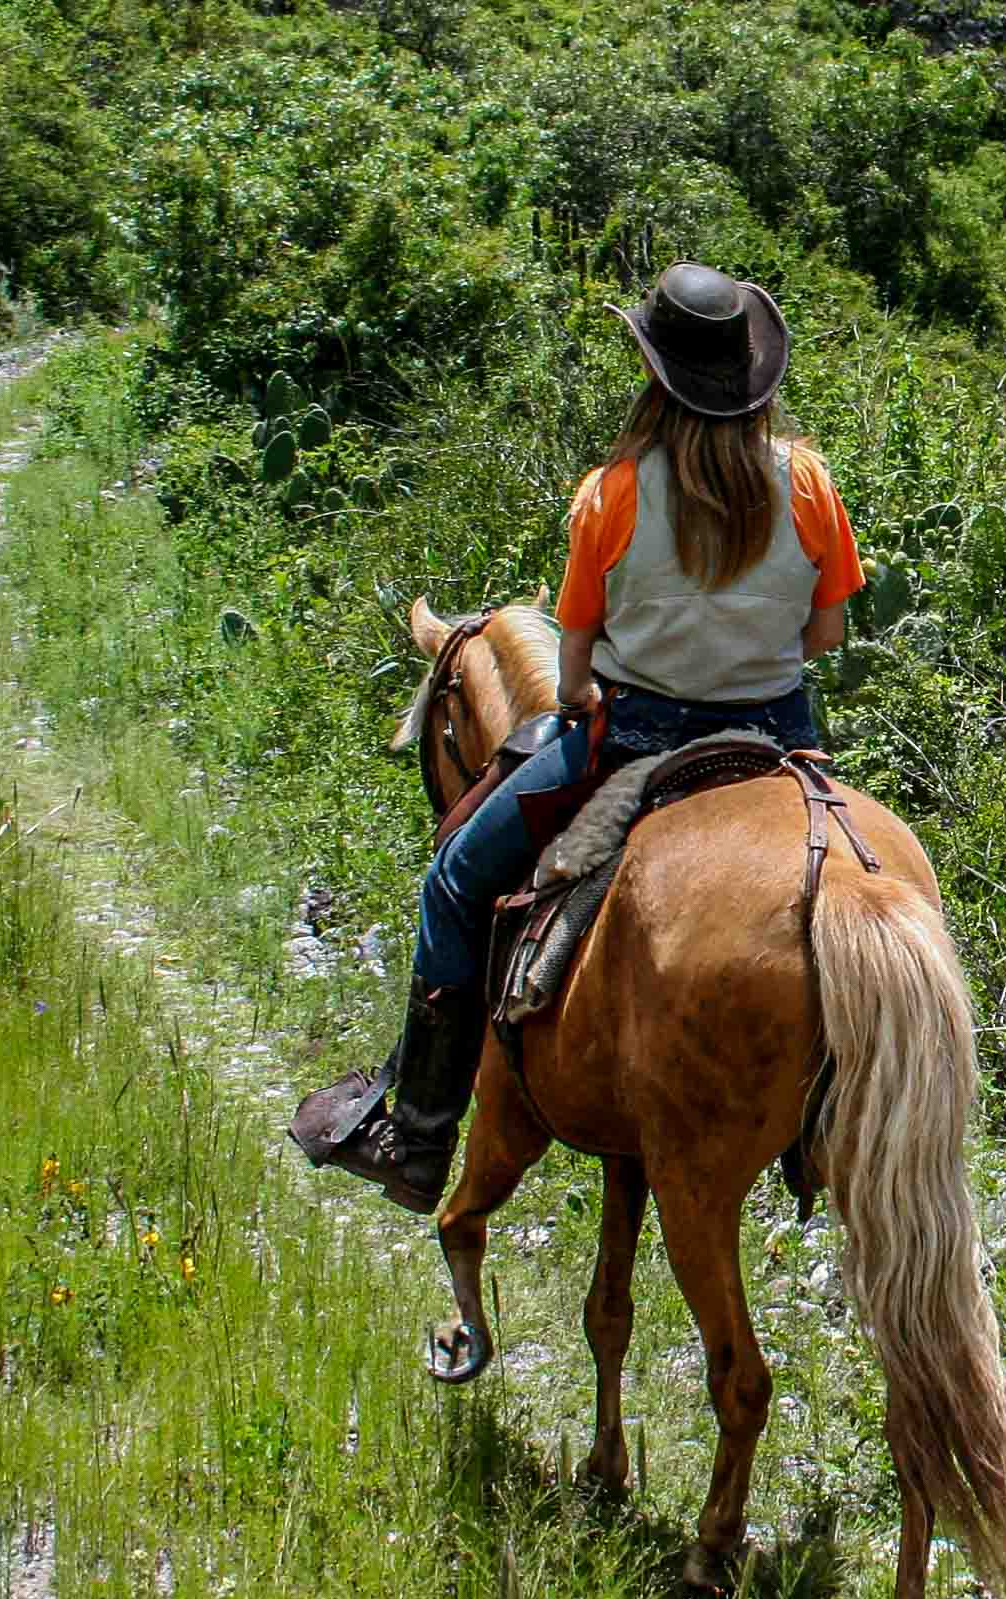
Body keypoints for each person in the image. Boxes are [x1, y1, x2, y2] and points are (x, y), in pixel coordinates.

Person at [300, 261, 866, 1213]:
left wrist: (598, 683)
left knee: (456, 879)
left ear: (655, 376)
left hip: (635, 738)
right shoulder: (807, 482)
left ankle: (422, 1135)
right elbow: (827, 633)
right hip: (779, 740)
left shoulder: (610, 495)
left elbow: (571, 669)